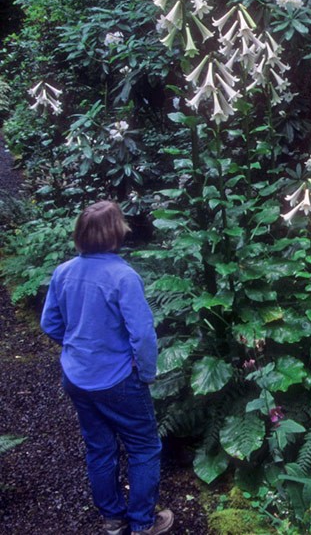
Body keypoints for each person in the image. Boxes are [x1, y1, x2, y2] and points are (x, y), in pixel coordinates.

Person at [40, 201, 174, 535]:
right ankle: (143, 524)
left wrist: (77, 348)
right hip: (117, 379)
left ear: (80, 234)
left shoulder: (64, 272)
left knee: (99, 447)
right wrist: (145, 373)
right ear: (116, 232)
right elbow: (142, 335)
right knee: (144, 447)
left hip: (76, 377)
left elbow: (50, 323)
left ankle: (114, 520)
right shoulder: (123, 276)